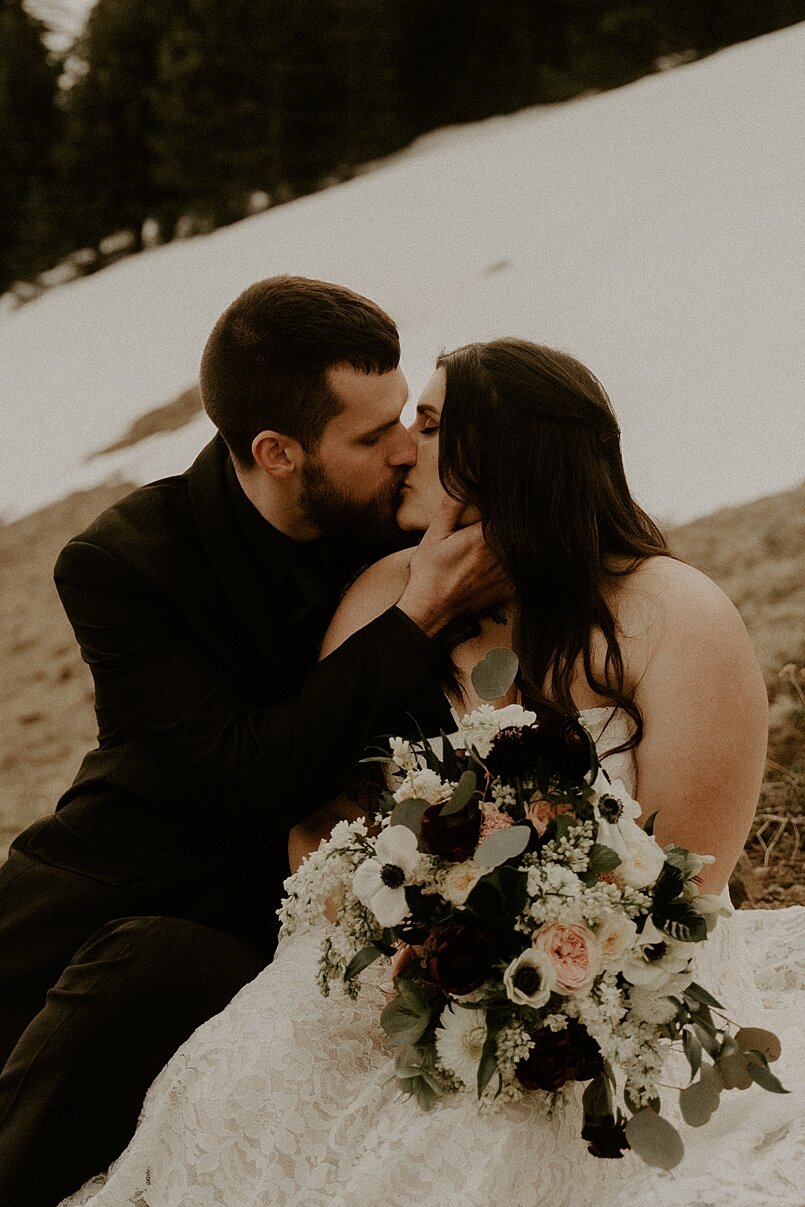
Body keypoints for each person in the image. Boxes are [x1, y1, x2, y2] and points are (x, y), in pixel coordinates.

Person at [60, 339, 803, 1207]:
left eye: (430, 422)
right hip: (394, 985)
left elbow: (689, 884)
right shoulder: (386, 591)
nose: (407, 447)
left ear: (505, 453)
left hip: (618, 994)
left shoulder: (670, 613)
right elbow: (320, 822)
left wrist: (538, 965)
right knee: (246, 1099)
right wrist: (395, 945)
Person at [0, 278, 508, 1206]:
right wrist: (417, 609)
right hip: (114, 872)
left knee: (137, 991)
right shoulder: (123, 561)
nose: (405, 449)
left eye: (405, 417)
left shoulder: (400, 524)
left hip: (274, 924)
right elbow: (243, 773)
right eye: (370, 435)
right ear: (277, 452)